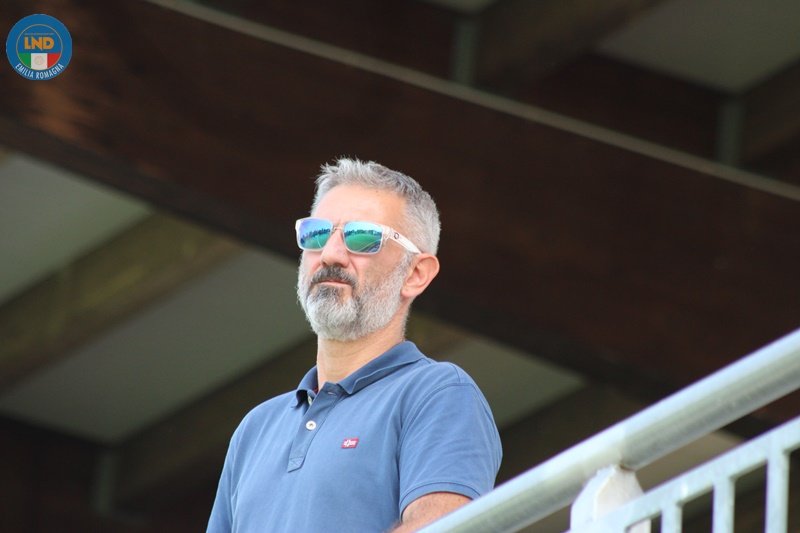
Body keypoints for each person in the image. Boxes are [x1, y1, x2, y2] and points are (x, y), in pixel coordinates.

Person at [207, 158, 502, 532]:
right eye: (316, 234)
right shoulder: (255, 429)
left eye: (362, 237)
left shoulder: (437, 394)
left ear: (415, 274)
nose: (330, 254)